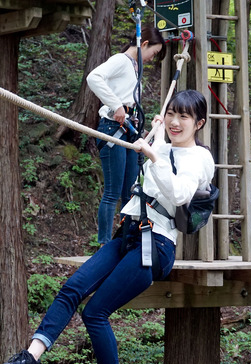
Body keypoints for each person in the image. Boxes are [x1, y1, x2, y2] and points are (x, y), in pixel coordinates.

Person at [0, 90, 215, 364]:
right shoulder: (162, 143)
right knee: (72, 288)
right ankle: (31, 357)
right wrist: (151, 137)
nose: (175, 122)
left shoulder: (199, 158)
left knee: (95, 311)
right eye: (172, 114)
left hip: (156, 246)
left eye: (184, 117)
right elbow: (150, 151)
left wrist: (153, 152)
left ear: (199, 123)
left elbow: (178, 194)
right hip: (128, 234)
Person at [86, 25, 166, 246]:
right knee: (112, 193)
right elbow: (94, 78)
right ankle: (104, 244)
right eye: (154, 53)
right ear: (144, 44)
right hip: (113, 129)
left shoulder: (133, 66)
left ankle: (124, 241)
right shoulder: (121, 61)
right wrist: (116, 105)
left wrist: (140, 129)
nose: (151, 58)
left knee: (130, 193)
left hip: (130, 132)